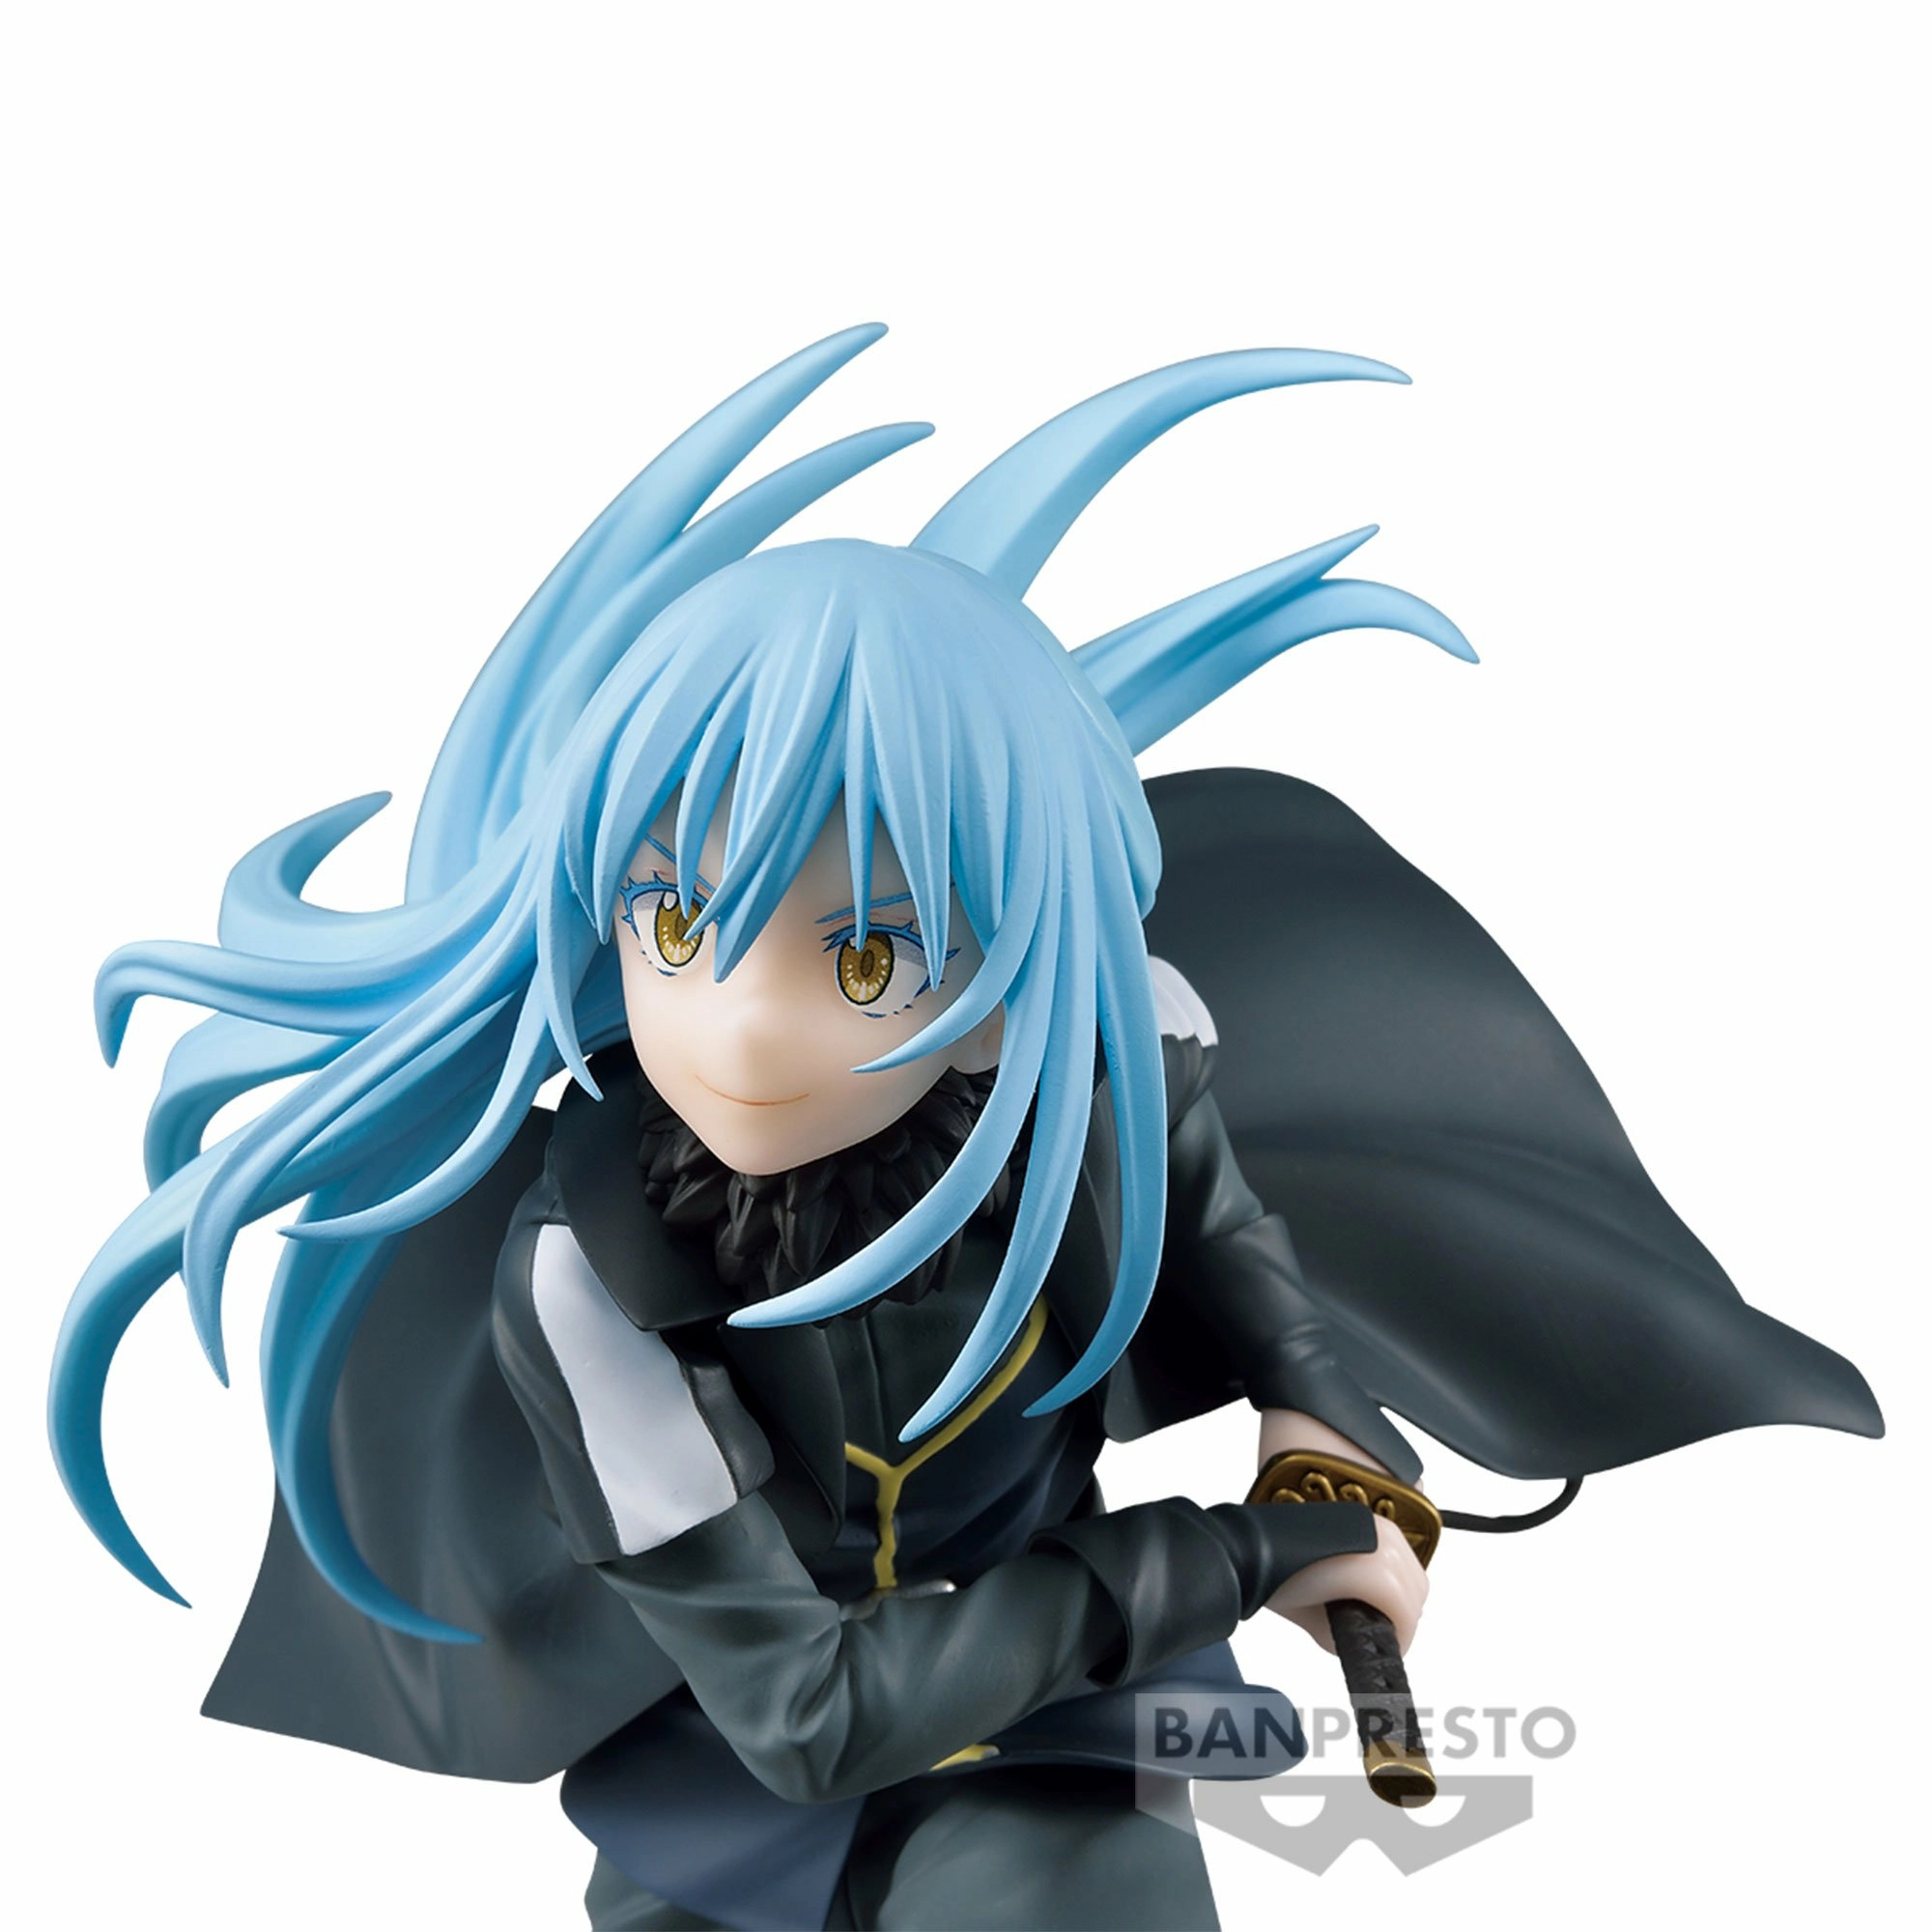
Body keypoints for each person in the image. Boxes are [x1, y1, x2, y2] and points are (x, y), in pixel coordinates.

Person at [50, 326, 1881, 1931]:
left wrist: (1322, 1414)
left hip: (1063, 1745)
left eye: (869, 953)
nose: (741, 1030)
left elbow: (1226, 1236)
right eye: (675, 922)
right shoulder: (586, 1274)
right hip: (727, 1788)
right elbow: (811, 1713)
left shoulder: (1112, 1052)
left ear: (1018, 960)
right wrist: (1246, 1555)